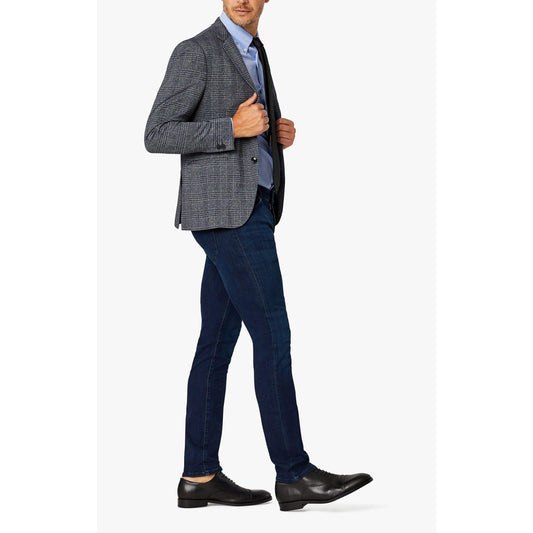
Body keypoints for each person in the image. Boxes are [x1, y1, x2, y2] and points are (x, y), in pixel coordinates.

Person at [144, 0, 373, 511]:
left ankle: (198, 475)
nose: (242, 0)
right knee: (272, 333)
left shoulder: (254, 50)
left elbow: (246, 131)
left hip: (251, 205)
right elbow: (156, 133)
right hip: (229, 216)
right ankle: (294, 473)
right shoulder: (197, 50)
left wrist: (271, 136)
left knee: (216, 342)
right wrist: (232, 127)